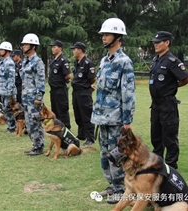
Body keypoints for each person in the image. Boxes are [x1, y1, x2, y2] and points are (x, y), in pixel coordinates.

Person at [90, 18, 136, 204]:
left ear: (118, 37)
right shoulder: (104, 60)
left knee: (117, 154)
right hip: (102, 117)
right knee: (104, 154)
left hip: (116, 118)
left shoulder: (124, 62)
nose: (103, 37)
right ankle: (112, 185)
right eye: (103, 34)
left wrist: (127, 120)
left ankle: (122, 189)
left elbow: (128, 93)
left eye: (107, 34)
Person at [149, 31, 188, 169]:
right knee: (155, 136)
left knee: (169, 137)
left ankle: (171, 167)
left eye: (158, 42)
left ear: (167, 43)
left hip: (167, 104)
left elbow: (187, 78)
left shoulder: (172, 61)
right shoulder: (156, 60)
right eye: (155, 42)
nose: (155, 45)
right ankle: (157, 164)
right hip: (155, 105)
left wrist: (173, 86)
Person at [20, 33, 45, 156]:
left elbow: (40, 81)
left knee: (35, 123)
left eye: (26, 44)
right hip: (26, 98)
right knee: (29, 124)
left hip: (33, 99)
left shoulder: (37, 62)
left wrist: (38, 98)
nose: (24, 46)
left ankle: (39, 146)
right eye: (23, 44)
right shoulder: (26, 61)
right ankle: (35, 145)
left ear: (33, 46)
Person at [70, 42, 96, 146]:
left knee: (86, 115)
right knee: (78, 114)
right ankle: (82, 134)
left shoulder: (87, 63)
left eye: (74, 49)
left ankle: (90, 137)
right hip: (76, 92)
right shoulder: (77, 62)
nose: (73, 51)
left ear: (80, 50)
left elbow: (92, 78)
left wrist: (87, 85)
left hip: (84, 92)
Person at [49, 40, 71, 129]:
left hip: (60, 89)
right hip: (53, 90)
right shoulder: (53, 60)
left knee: (62, 110)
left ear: (60, 48)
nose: (52, 49)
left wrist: (60, 81)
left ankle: (65, 129)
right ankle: (58, 128)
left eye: (54, 47)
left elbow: (68, 76)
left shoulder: (63, 60)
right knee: (55, 111)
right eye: (52, 47)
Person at [0, 41, 17, 133]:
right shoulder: (3, 62)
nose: (0, 51)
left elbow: (11, 78)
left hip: (8, 91)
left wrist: (9, 92)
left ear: (7, 51)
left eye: (2, 49)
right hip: (3, 90)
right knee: (6, 109)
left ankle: (12, 127)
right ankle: (11, 125)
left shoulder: (9, 63)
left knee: (8, 109)